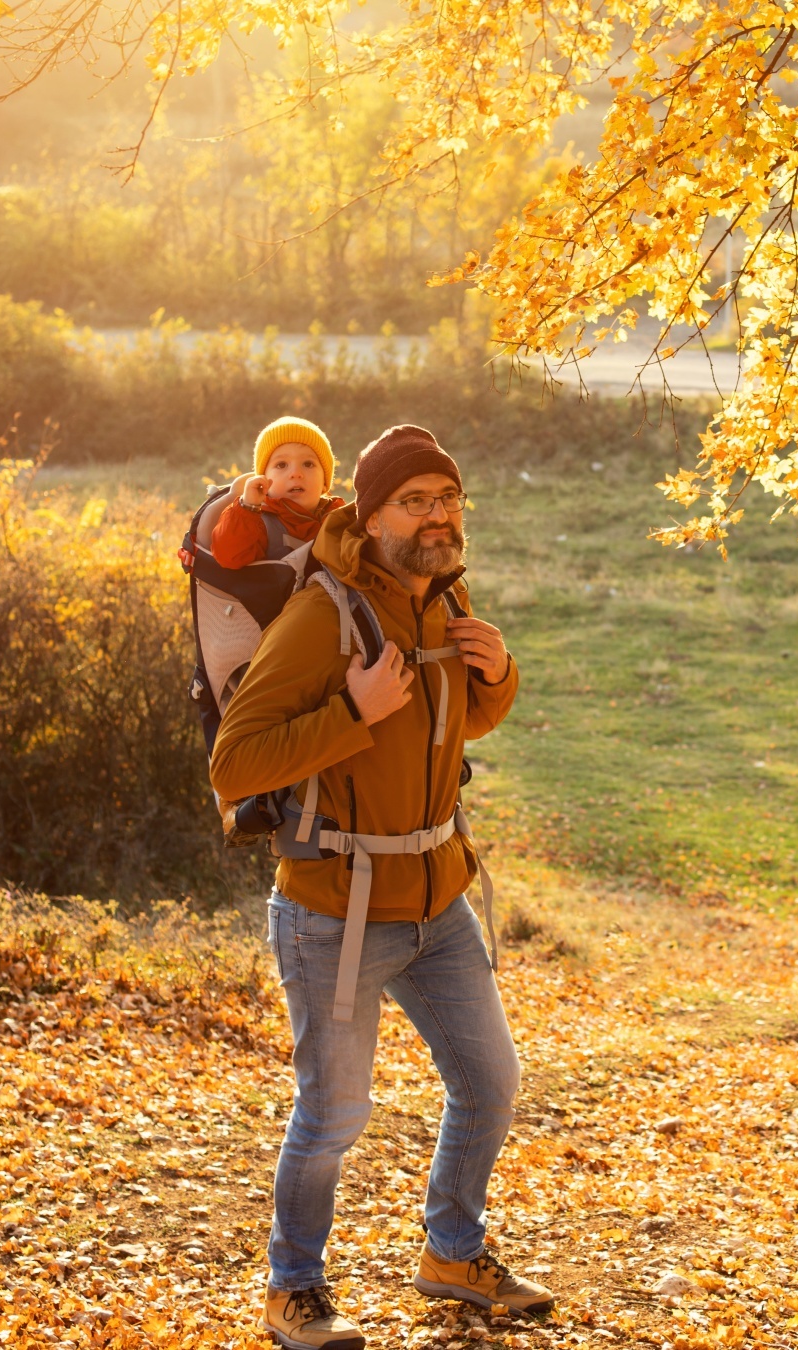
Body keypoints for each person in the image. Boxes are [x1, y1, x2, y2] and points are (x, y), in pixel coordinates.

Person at [211, 424, 547, 1350]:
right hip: (334, 910)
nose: (439, 516)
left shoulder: (445, 599)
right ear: (370, 512)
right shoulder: (325, 614)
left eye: (449, 499)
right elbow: (233, 765)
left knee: (491, 1084)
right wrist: (350, 713)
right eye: (416, 501)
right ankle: (295, 1288)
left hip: (437, 898)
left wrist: (499, 671)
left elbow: (461, 720)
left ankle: (451, 1251)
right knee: (333, 1116)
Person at [216, 416, 346, 568]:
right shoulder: (257, 522)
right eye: (282, 465)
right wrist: (247, 507)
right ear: (264, 480)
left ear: (324, 483)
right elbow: (230, 557)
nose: (296, 473)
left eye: (308, 464)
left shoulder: (338, 518)